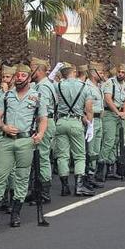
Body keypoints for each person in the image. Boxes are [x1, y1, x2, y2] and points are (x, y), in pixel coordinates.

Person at [0, 64, 46, 227]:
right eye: (18, 75)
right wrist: (3, 126)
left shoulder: (37, 97)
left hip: (25, 141)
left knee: (22, 177)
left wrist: (40, 134)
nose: (20, 78)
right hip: (7, 140)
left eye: (24, 75)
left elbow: (42, 118)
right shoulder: (7, 96)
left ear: (29, 77)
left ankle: (15, 213)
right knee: (0, 176)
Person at [49, 63, 95, 198]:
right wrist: (89, 125)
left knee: (62, 155)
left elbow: (49, 81)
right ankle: (79, 186)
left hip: (61, 121)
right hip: (76, 121)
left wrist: (55, 70)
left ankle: (65, 187)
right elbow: (89, 109)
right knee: (79, 155)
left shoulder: (58, 86)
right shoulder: (84, 87)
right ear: (74, 72)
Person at [30, 58, 57, 202]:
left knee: (42, 156)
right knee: (39, 155)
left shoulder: (43, 87)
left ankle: (44, 191)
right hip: (45, 122)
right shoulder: (44, 84)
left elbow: (43, 111)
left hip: (44, 122)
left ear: (38, 70)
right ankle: (37, 189)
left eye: (32, 68)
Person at [99, 63, 125, 181]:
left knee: (117, 140)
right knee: (108, 141)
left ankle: (111, 167)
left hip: (120, 115)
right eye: (119, 72)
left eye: (123, 72)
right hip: (110, 114)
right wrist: (117, 112)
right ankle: (100, 169)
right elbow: (108, 99)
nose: (121, 74)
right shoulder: (110, 83)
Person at [83, 63, 104, 187]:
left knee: (96, 149)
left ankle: (92, 174)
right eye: (100, 72)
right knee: (90, 149)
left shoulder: (98, 86)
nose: (102, 75)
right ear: (93, 73)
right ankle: (87, 176)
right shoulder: (87, 87)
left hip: (99, 120)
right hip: (91, 120)